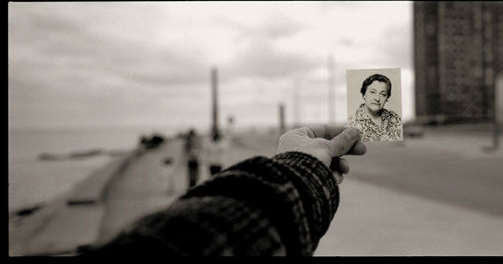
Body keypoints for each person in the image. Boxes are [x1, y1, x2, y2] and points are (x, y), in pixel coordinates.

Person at [83, 125, 366, 256]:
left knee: (207, 180)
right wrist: (305, 169)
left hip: (221, 171)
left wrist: (301, 168)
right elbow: (215, 233)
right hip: (226, 173)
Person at [348, 73, 402, 142]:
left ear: (387, 98)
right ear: (364, 94)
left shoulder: (395, 118)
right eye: (373, 92)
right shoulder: (352, 123)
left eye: (383, 94)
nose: (377, 98)